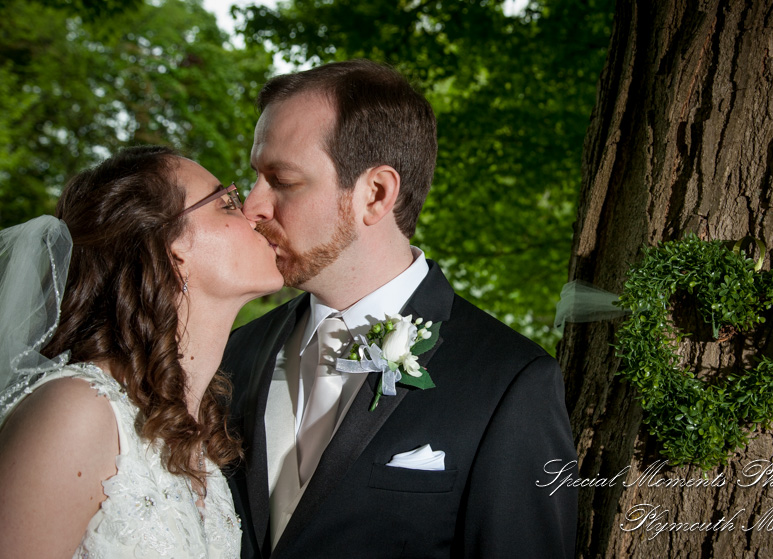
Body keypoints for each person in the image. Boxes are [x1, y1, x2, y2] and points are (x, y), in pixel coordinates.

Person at [222, 59, 578, 558]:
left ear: (375, 193)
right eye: (255, 177)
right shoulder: (233, 354)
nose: (252, 206)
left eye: (281, 180)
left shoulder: (509, 382)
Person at [0, 146, 284, 557]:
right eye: (226, 203)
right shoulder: (78, 411)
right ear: (173, 251)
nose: (253, 213)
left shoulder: (194, 435)